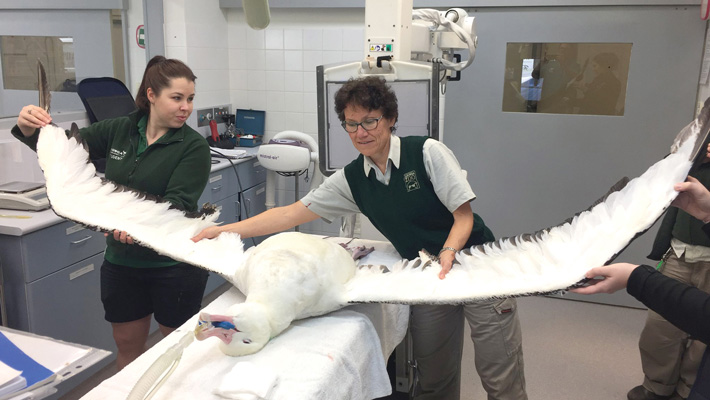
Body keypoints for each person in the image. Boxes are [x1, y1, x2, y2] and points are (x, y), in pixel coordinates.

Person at [192, 76, 528, 400]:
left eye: (370, 121)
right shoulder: (353, 179)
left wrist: (450, 250)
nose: (360, 132)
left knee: (500, 376)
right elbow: (288, 213)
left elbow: (463, 216)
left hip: (479, 263)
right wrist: (223, 230)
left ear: (390, 118)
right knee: (433, 379)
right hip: (429, 273)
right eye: (351, 124)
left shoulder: (426, 153)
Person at [12, 56, 211, 370]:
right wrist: (28, 127)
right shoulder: (122, 128)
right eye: (177, 98)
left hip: (175, 264)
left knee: (180, 353)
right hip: (123, 264)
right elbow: (63, 153)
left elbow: (176, 206)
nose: (186, 106)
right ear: (151, 95)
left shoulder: (193, 147)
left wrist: (134, 226)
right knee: (129, 350)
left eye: (190, 99)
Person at [571, 175, 710, 400]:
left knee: (702, 333)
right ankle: (657, 386)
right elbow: (672, 168)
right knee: (660, 326)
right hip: (680, 251)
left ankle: (688, 390)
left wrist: (634, 278)